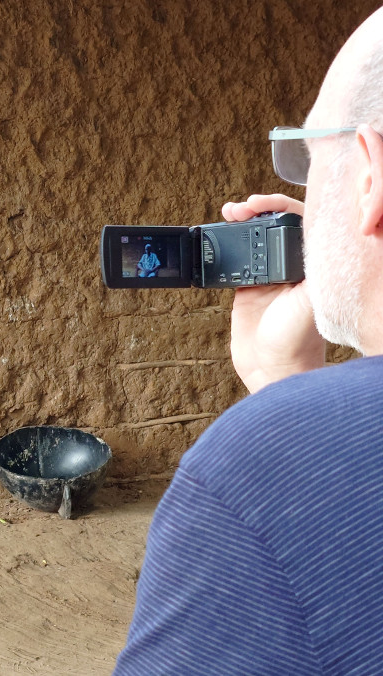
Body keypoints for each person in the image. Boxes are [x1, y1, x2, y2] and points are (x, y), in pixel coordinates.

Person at [114, 9, 383, 674]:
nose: (306, 193)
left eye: (311, 159)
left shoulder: (253, 473)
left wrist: (284, 427)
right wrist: (285, 383)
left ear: (373, 178)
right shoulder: (296, 452)